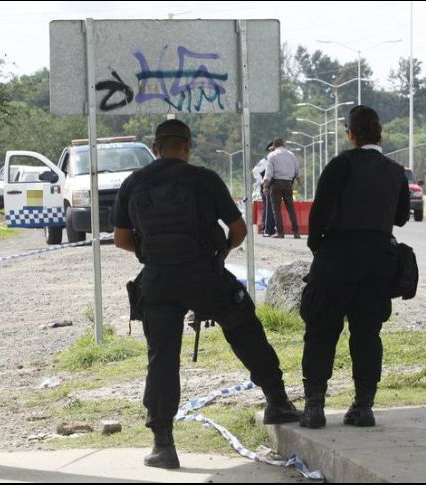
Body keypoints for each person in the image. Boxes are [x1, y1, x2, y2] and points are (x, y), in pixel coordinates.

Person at [111, 120, 300, 470]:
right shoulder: (204, 179)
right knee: (245, 329)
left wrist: (151, 254)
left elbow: (121, 239)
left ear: (155, 148)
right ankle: (278, 401)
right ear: (187, 146)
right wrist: (221, 254)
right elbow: (240, 229)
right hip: (204, 275)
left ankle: (163, 444)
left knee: (162, 358)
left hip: (158, 281)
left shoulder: (133, 183)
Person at [299, 106, 410, 429]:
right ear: (379, 133)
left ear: (350, 134)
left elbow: (318, 216)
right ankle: (363, 406)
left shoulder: (340, 165)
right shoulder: (395, 170)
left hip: (336, 256)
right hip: (378, 260)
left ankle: (314, 408)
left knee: (321, 331)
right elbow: (401, 217)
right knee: (367, 333)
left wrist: (320, 247)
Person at [263, 138, 301, 239]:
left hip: (276, 184)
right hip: (288, 183)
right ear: (283, 145)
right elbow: (296, 170)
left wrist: (266, 186)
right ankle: (296, 232)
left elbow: (268, 173)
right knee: (291, 208)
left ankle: (280, 233)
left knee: (276, 209)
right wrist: (298, 179)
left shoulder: (271, 155)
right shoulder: (291, 154)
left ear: (274, 146)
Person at [252, 141, 277, 237]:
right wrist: (262, 181)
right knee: (268, 207)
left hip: (274, 185)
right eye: (273, 150)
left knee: (273, 208)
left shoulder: (275, 160)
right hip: (266, 186)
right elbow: (255, 171)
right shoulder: (265, 161)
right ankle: (266, 229)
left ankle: (271, 228)